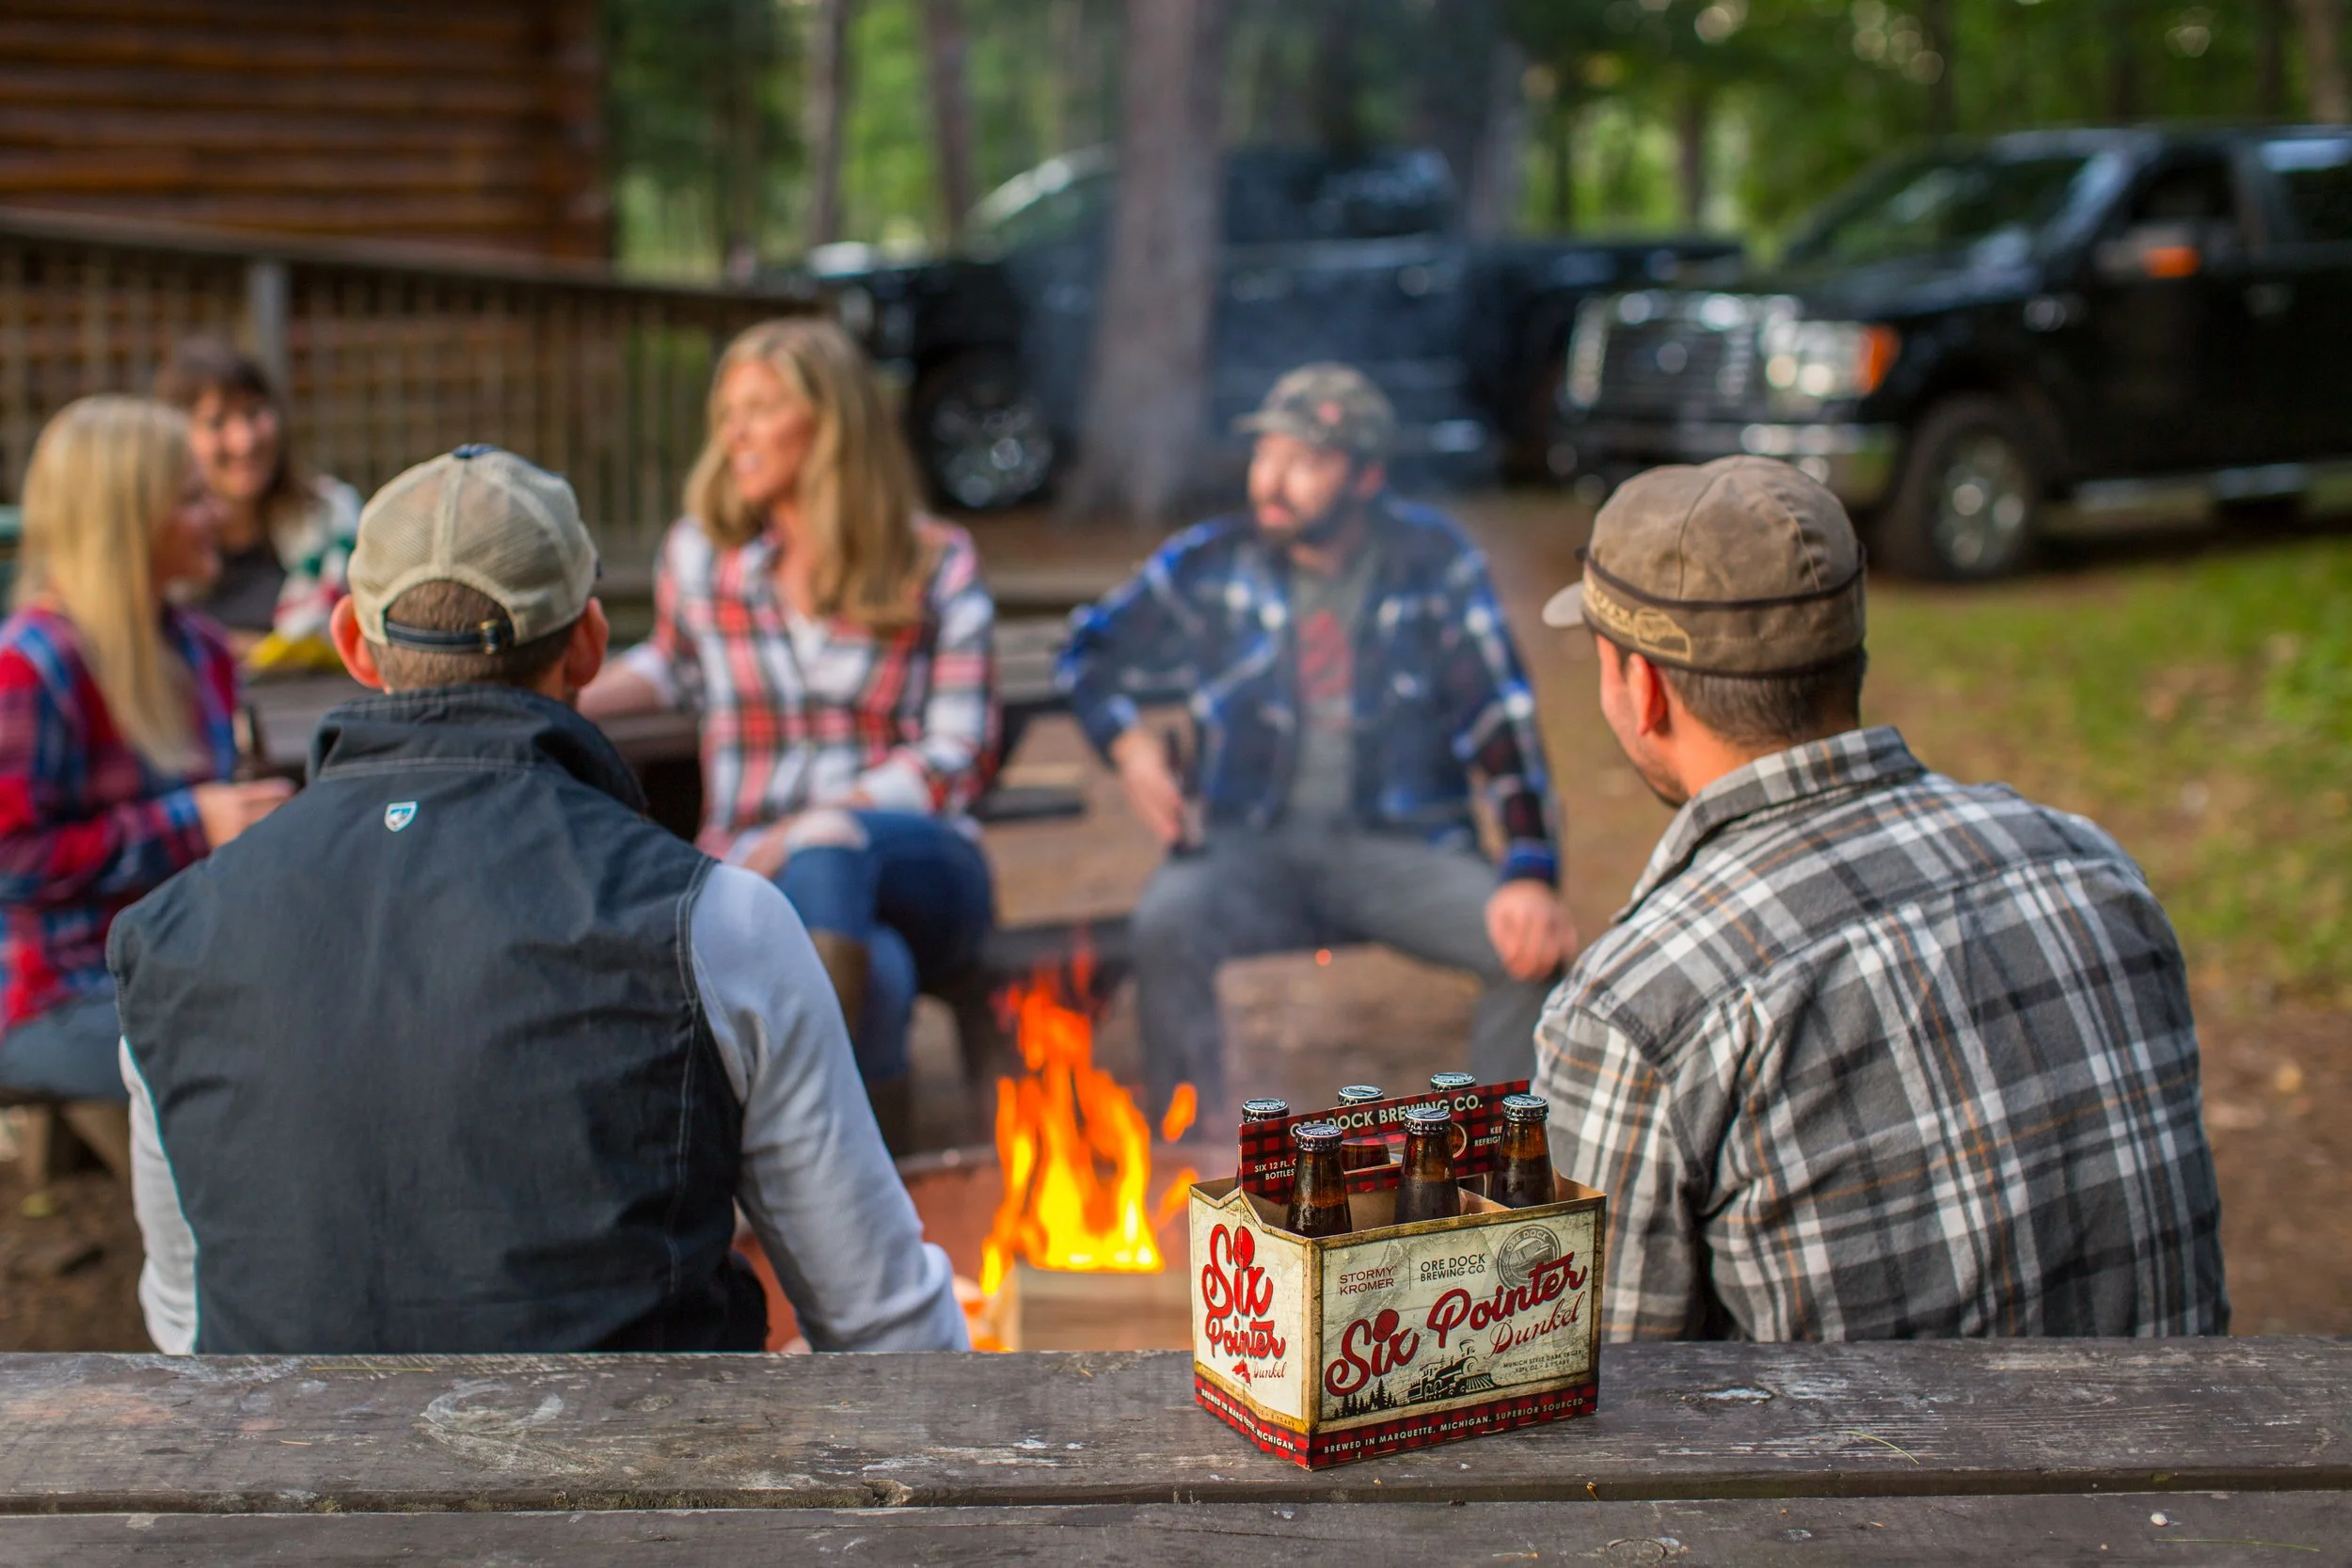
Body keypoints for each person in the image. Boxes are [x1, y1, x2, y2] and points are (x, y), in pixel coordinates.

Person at [109, 445, 966, 1355]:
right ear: (590, 641)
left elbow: (188, 1317)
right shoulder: (715, 921)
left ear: (354, 643)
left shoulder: (170, 934)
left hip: (282, 1487)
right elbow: (888, 1330)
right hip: (641, 1491)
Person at [1532, 454, 2227, 1341]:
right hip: (2191, 1472)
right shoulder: (2093, 868)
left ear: (1645, 687)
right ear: (1847, 650)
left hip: (1875, 1484)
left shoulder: (1641, 1006)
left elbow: (1587, 1382)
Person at [1057, 364, 1576, 1122]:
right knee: (1167, 921)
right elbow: (1088, 651)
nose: (1271, 481)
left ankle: (1495, 1177)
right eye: (1266, 454)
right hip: (1246, 847)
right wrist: (1130, 746)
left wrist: (1530, 869)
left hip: (1403, 847)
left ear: (1365, 476)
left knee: (1529, 952)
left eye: (1304, 461)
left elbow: (1501, 717)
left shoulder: (1433, 562)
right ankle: (1191, 1164)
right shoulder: (1213, 559)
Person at [581, 319, 997, 1153]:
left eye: (761, 408)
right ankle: (888, 1200)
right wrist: (556, 695)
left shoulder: (934, 560)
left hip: (920, 866)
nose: (733, 433)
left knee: (831, 847)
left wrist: (814, 825)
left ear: (830, 422)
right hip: (769, 879)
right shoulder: (704, 557)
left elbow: (959, 752)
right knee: (875, 975)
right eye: (727, 412)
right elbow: (670, 664)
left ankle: (796, 1153)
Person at [0, 396, 290, 1113]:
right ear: (127, 521)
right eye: (192, 499)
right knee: (255, 1054)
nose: (218, 514)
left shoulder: (203, 648)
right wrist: (191, 823)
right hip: (53, 992)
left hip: (182, 963)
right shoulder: (31, 667)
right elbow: (10, 860)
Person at [154, 337, 361, 665]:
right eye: (217, 422)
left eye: (254, 413)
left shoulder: (332, 517)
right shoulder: (158, 537)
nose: (245, 440)